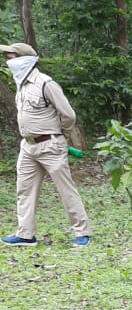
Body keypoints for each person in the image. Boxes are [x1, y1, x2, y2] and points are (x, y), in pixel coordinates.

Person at [1, 42, 90, 246]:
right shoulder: (21, 85)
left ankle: (82, 232)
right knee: (24, 189)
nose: (8, 61)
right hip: (28, 147)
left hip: (50, 146)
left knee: (65, 189)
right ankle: (25, 234)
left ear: (24, 59)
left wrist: (59, 136)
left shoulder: (45, 83)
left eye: (11, 56)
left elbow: (68, 115)